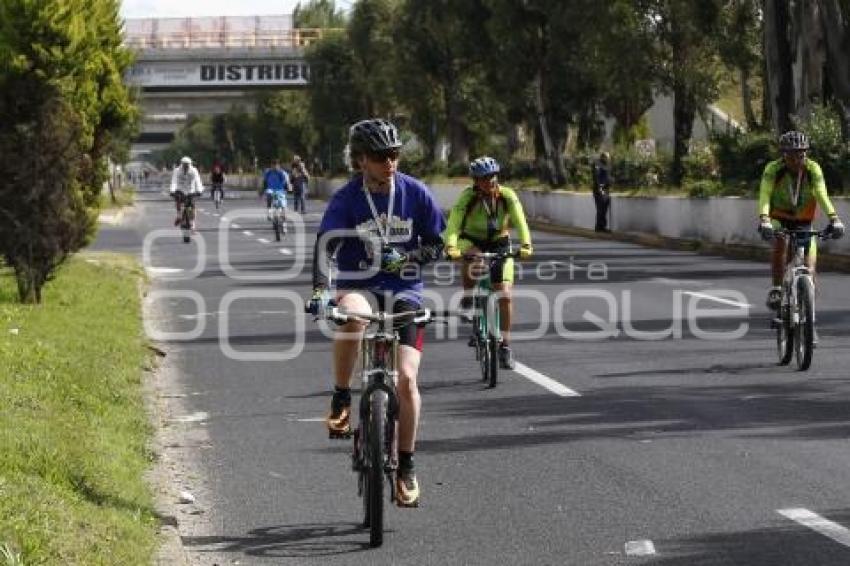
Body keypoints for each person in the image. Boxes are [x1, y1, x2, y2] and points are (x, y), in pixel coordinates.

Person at [307, 118, 445, 508]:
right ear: (361, 160)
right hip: (359, 285)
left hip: (405, 290)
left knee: (406, 379)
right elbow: (325, 246)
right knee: (352, 317)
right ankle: (340, 398)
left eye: (395, 155)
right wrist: (320, 290)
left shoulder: (416, 193)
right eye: (381, 157)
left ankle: (406, 468)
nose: (390, 163)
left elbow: (438, 244)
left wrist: (410, 256)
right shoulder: (347, 198)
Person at [443, 156, 533, 370]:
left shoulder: (507, 195)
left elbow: (520, 220)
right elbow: (454, 224)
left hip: (499, 241)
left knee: (505, 294)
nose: (489, 181)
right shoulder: (467, 198)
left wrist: (526, 244)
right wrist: (451, 246)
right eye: (483, 178)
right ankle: (467, 298)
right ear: (475, 181)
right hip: (471, 239)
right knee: (473, 257)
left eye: (492, 176)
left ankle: (505, 345)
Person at [758, 130, 844, 315]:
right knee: (781, 241)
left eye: (801, 155)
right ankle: (777, 289)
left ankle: (809, 324)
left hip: (804, 220)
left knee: (810, 269)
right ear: (784, 155)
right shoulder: (773, 169)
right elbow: (765, 193)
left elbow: (821, 193)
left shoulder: (813, 168)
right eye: (792, 156)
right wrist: (764, 219)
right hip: (778, 218)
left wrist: (834, 218)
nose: (797, 160)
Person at [170, 156, 204, 230]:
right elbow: (174, 181)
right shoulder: (177, 170)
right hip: (180, 189)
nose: (186, 166)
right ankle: (179, 215)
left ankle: (192, 222)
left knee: (192, 206)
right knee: (178, 200)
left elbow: (198, 181)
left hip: (190, 190)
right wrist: (172, 191)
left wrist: (199, 190)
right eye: (184, 164)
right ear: (181, 164)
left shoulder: (194, 170)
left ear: (190, 164)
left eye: (187, 165)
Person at [592, 152, 612, 232]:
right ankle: (600, 227)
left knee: (603, 209)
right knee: (601, 209)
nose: (608, 159)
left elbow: (606, 177)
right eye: (607, 157)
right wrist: (601, 191)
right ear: (603, 158)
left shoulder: (604, 165)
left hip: (604, 189)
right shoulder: (599, 165)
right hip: (600, 190)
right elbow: (598, 179)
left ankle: (601, 226)